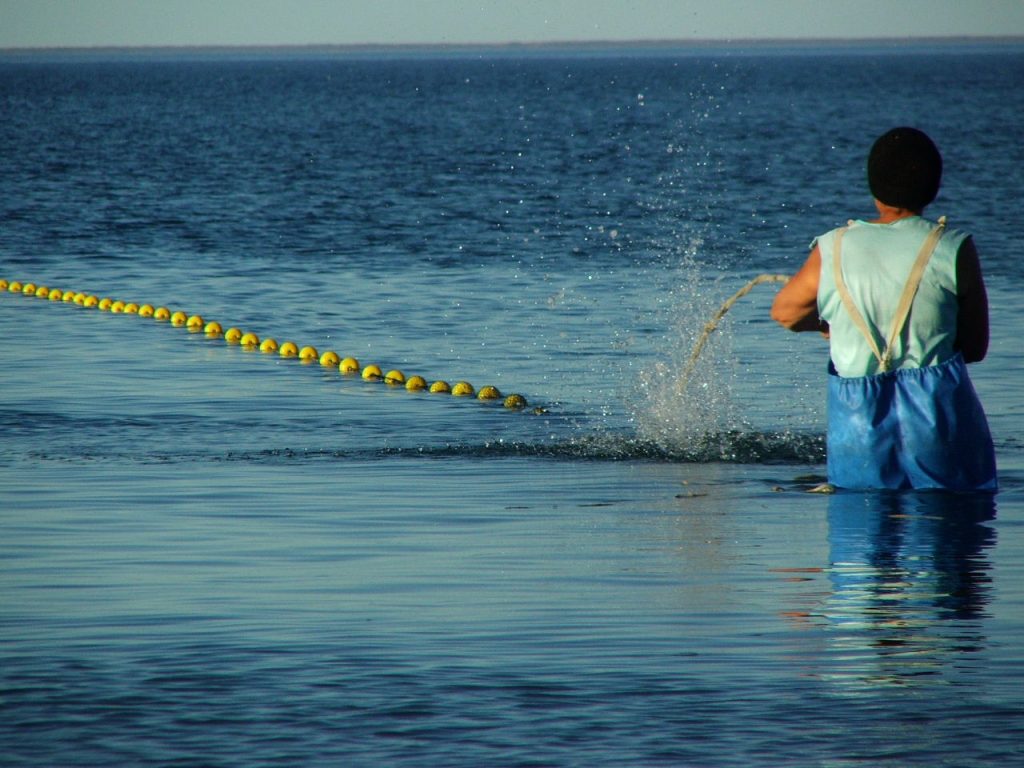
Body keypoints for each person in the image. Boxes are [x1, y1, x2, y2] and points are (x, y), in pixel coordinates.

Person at [771, 127, 997, 491]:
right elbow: (974, 347)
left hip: (857, 431)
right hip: (939, 428)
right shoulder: (954, 248)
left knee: (858, 534)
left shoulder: (833, 247)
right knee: (946, 537)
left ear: (873, 188)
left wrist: (826, 325)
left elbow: (786, 312)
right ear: (934, 187)